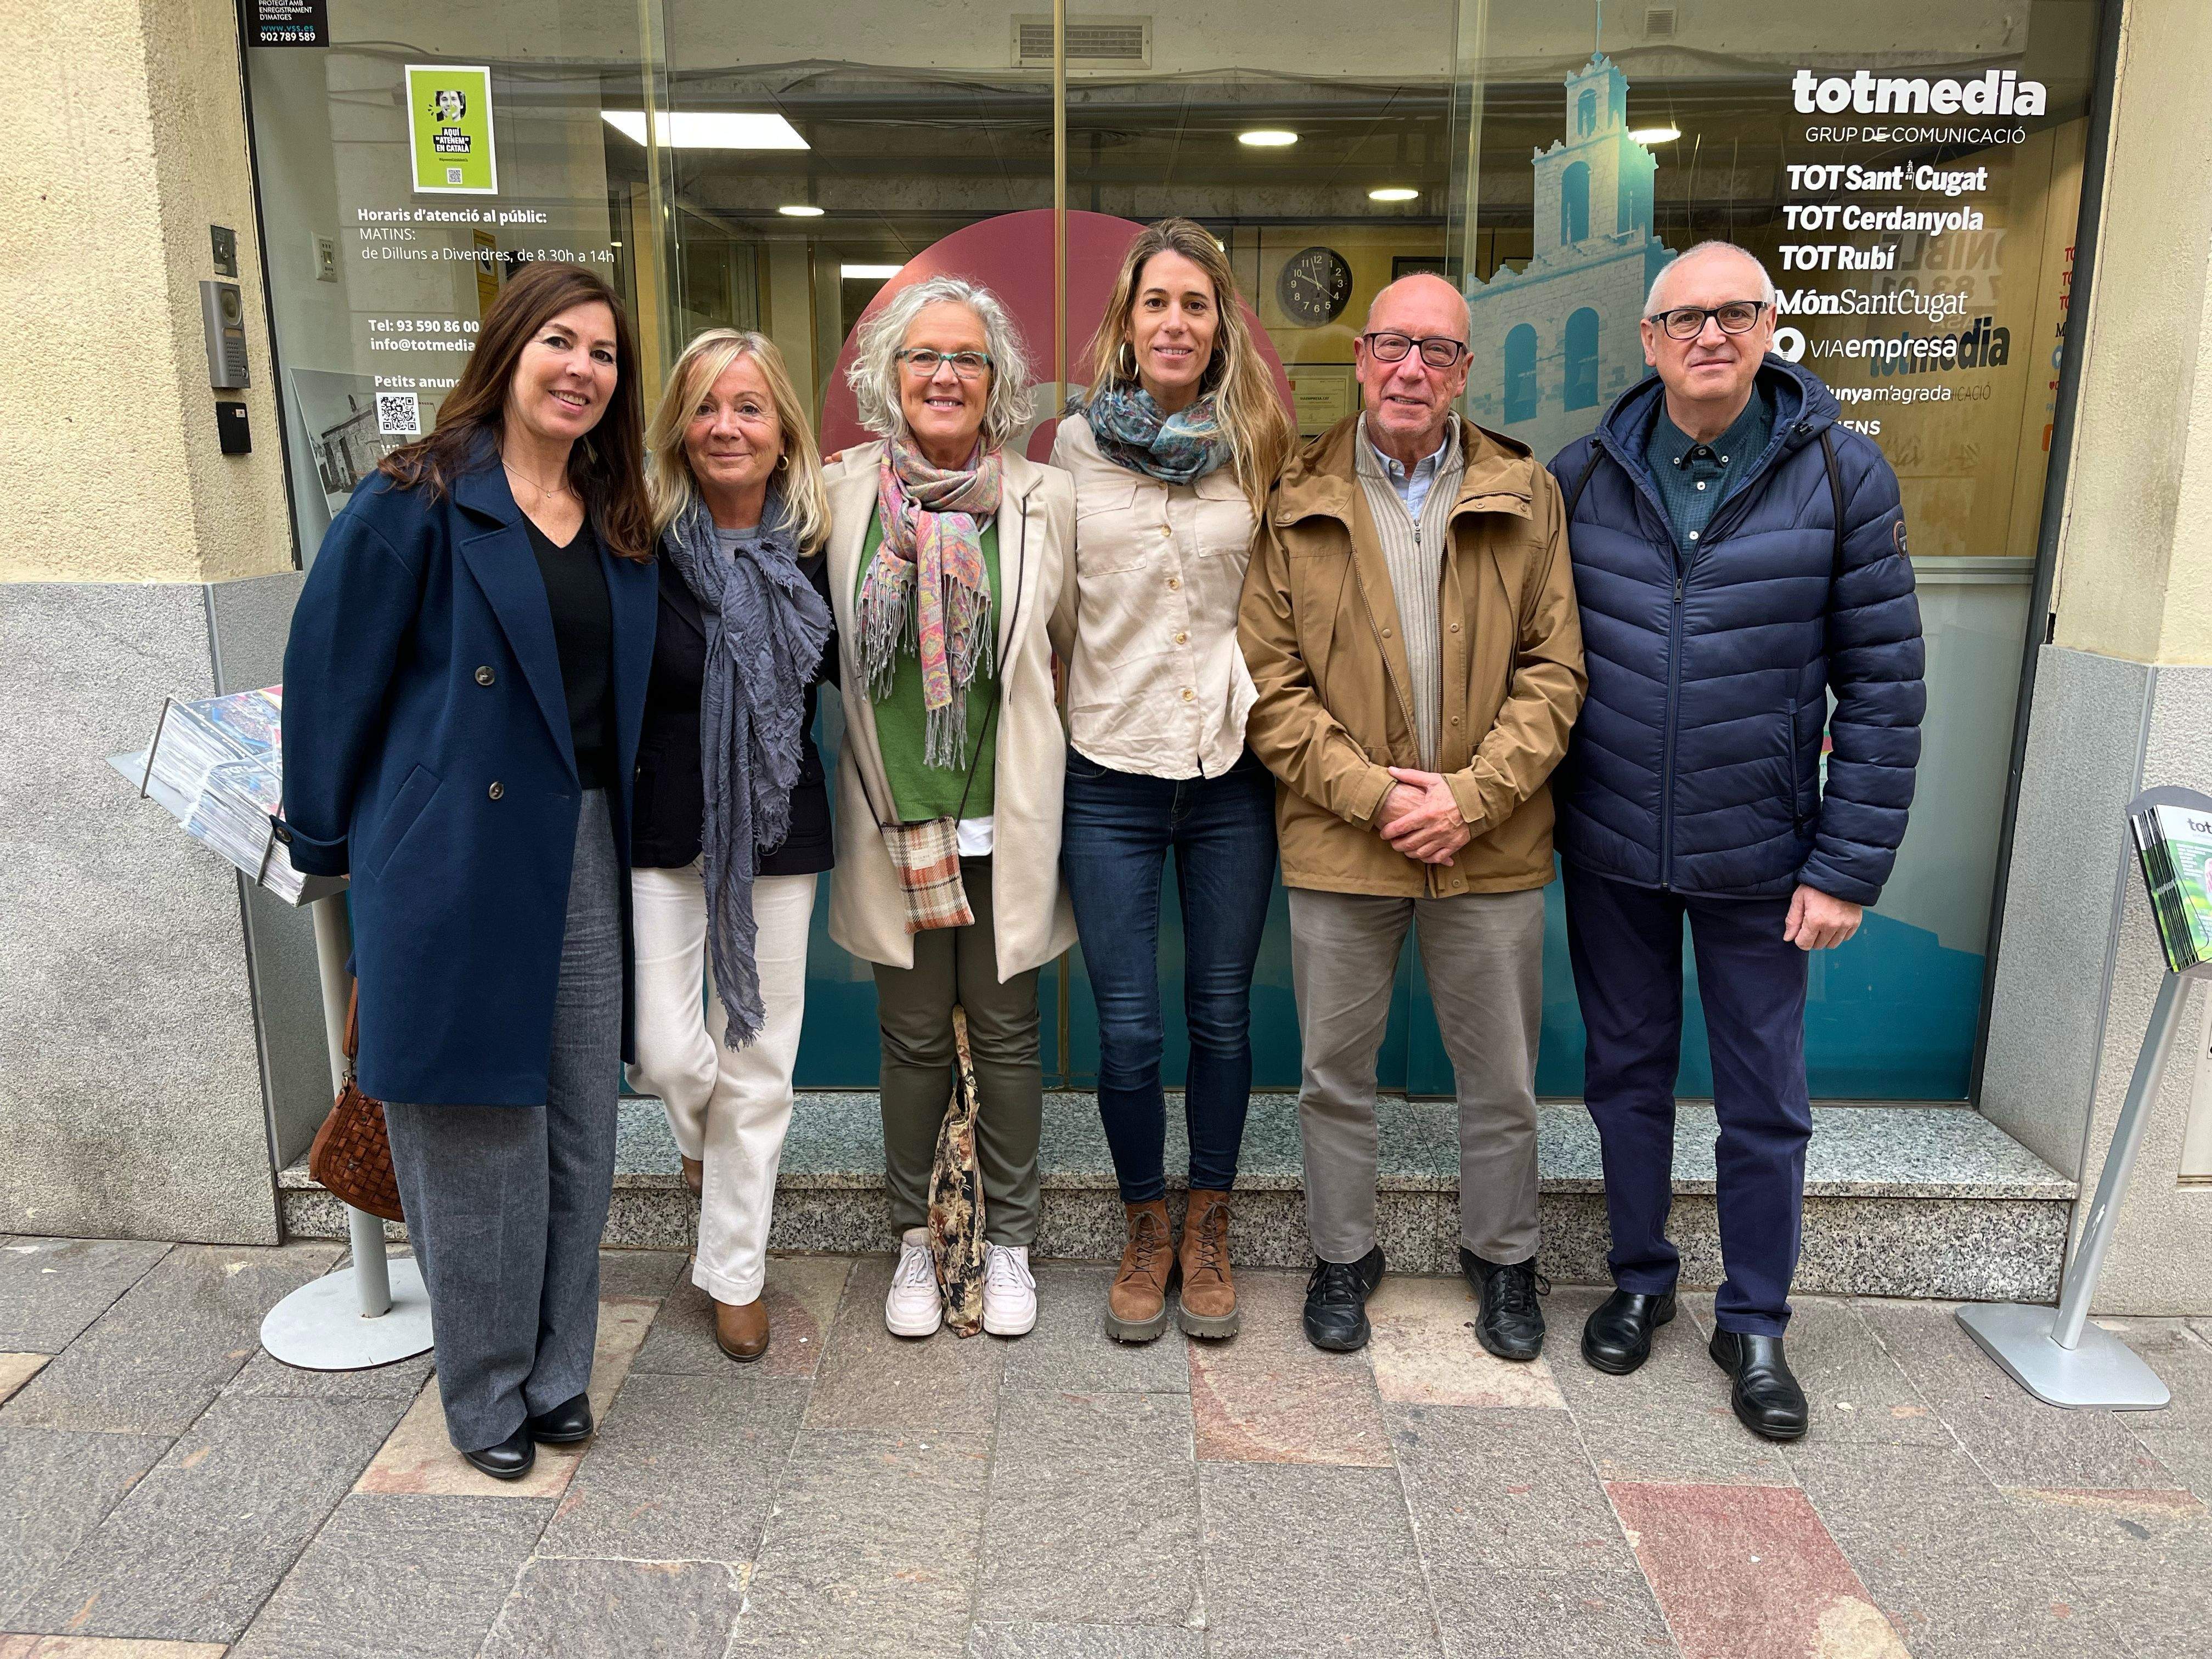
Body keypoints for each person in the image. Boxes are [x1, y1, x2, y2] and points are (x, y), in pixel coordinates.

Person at [279, 262, 657, 1480]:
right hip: (452, 858)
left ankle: (557, 1373)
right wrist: (337, 859)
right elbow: (332, 683)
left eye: (603, 352)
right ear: (509, 350)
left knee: (578, 1131)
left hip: (586, 846)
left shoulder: (621, 516)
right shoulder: (415, 499)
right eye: (561, 341)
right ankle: (483, 1386)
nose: (583, 369)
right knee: (472, 1134)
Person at [1547, 240, 1923, 1441]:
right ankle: (1641, 1280)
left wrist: (1846, 864)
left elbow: (1884, 686)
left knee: (1765, 1098)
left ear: (1770, 329)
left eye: (1736, 314)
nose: (1710, 336)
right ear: (1650, 342)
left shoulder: (1843, 477)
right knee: (1626, 1076)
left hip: (1765, 851)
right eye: (1685, 319)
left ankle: (1755, 1317)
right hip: (1610, 843)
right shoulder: (1584, 475)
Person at [1239, 274, 1585, 1359]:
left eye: (1437, 352)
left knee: (1502, 1082)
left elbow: (1557, 673)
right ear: (1359, 356)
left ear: (1466, 373)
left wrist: (1471, 800)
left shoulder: (1526, 493)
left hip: (1492, 843)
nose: (1411, 370)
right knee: (1334, 1076)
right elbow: (1268, 683)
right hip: (1346, 845)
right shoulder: (1295, 497)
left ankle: (1506, 1259)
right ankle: (1342, 1256)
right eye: (1393, 345)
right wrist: (1381, 797)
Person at [1050, 219, 1295, 1344]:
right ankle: (1144, 1223)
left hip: (1232, 774)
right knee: (1131, 1030)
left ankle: (1211, 1219)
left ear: (1221, 323)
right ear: (1127, 319)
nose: (1175, 323)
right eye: (1157, 303)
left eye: (1196, 304)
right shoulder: (1069, 452)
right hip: (1109, 768)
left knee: (1222, 1017)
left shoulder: (1261, 447)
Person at [823, 274, 1076, 1340]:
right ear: (890, 376)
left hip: (1002, 816)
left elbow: (1066, 651)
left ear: (995, 383)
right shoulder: (834, 496)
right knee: (915, 1039)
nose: (942, 375)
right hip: (894, 821)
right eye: (923, 357)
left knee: (1010, 1037)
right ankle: (914, 1249)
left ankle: (1009, 1245)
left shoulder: (1041, 499)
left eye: (965, 359)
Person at [628, 330, 833, 1364]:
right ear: (679, 427)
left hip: (779, 826)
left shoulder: (820, 547)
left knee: (760, 1062)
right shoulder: (639, 545)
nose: (726, 427)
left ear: (783, 428)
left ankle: (736, 1270)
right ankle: (702, 1157)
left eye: (748, 407)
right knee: (670, 1051)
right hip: (664, 826)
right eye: (705, 407)